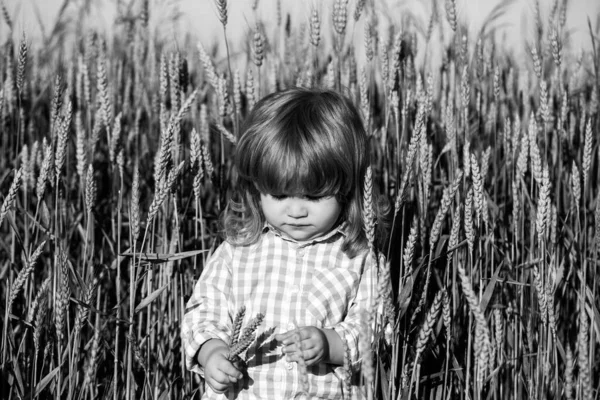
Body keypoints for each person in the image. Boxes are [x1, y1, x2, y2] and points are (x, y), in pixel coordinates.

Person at [181, 87, 389, 399]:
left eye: (314, 196)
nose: (295, 210)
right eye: (279, 195)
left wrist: (331, 343)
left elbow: (376, 327)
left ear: (346, 186)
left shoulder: (359, 257)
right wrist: (211, 352)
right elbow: (202, 312)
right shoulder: (237, 250)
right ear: (257, 188)